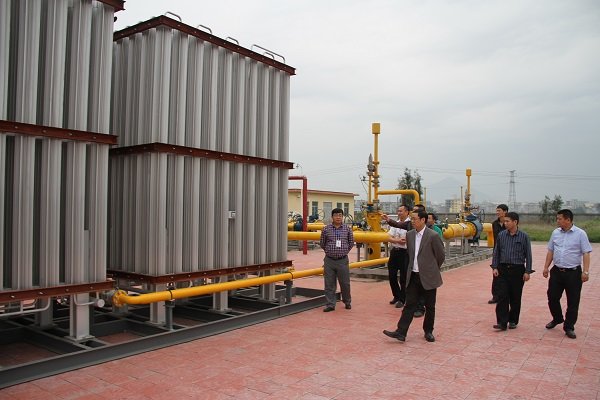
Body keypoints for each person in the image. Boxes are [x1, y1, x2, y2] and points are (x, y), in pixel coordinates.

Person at [383, 210, 446, 342]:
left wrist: (431, 269)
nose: (412, 221)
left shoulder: (433, 235)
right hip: (413, 276)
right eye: (411, 219)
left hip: (428, 276)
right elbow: (410, 255)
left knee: (430, 306)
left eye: (414, 219)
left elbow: (440, 256)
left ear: (423, 220)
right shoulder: (410, 235)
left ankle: (428, 331)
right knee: (409, 305)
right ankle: (401, 332)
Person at [542, 209, 592, 339]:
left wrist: (586, 271)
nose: (557, 221)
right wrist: (546, 267)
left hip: (573, 273)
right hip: (557, 271)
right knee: (552, 297)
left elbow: (586, 253)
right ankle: (557, 318)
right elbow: (551, 251)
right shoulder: (555, 233)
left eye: (559, 219)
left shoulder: (580, 234)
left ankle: (569, 326)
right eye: (557, 218)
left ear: (568, 220)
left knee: (573, 301)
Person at [490, 212, 533, 331]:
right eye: (504, 221)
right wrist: (495, 267)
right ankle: (502, 322)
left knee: (515, 297)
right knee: (502, 296)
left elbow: (528, 255)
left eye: (507, 221)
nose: (505, 223)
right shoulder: (501, 235)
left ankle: (513, 320)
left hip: (517, 270)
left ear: (515, 222)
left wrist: (527, 271)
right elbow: (497, 252)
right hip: (503, 269)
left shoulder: (524, 236)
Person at [320, 208, 355, 312]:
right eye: (336, 215)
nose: (338, 217)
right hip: (329, 260)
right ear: (332, 217)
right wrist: (329, 251)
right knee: (329, 284)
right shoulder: (326, 229)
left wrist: (343, 252)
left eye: (340, 215)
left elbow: (351, 243)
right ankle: (330, 304)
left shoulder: (347, 229)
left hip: (342, 260)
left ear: (342, 217)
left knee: (345, 283)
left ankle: (347, 301)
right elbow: (322, 243)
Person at [387, 205, 411, 308]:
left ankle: (402, 299)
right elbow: (388, 237)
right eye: (398, 211)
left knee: (403, 277)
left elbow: (406, 240)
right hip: (394, 251)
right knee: (392, 276)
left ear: (407, 212)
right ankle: (396, 296)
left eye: (401, 211)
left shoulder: (409, 224)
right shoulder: (395, 224)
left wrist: (394, 240)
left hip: (404, 253)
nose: (399, 213)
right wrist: (396, 240)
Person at [489, 204, 508, 304]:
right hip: (497, 252)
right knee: (495, 273)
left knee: (506, 275)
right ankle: (495, 296)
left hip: (507, 252)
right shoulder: (494, 224)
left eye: (499, 210)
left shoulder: (509, 223)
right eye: (497, 211)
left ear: (505, 212)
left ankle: (505, 296)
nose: (497, 212)